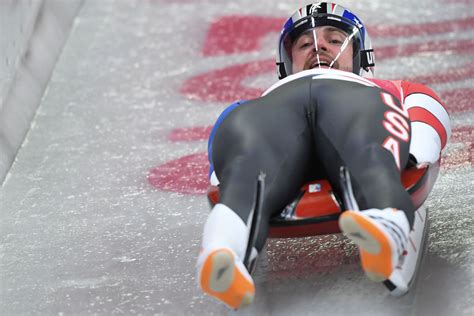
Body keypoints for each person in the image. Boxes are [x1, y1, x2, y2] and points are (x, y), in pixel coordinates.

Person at [196, 2, 451, 309]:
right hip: (282, 107)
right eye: (304, 44)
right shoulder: (254, 104)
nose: (319, 47)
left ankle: (224, 244)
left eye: (334, 39)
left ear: (361, 55)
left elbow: (428, 113)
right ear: (287, 63)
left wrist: (413, 153)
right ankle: (385, 222)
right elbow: (226, 150)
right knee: (369, 154)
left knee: (250, 176)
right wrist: (409, 158)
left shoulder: (394, 89)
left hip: (344, 98)